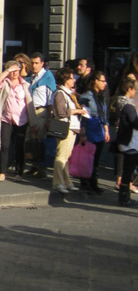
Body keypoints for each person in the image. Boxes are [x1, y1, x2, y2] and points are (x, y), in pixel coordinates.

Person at [0, 60, 37, 182]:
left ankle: (19, 172)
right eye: (12, 71)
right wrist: (7, 71)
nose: (14, 73)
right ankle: (2, 172)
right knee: (5, 145)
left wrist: (33, 122)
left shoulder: (25, 85)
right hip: (7, 118)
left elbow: (29, 103)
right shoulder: (5, 83)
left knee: (19, 146)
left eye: (16, 70)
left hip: (22, 119)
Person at [51, 67, 86, 195]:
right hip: (65, 127)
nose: (73, 80)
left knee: (66, 156)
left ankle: (66, 181)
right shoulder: (60, 93)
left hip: (72, 127)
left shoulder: (69, 93)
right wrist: (77, 111)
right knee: (61, 156)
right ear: (65, 79)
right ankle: (58, 182)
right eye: (71, 78)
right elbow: (61, 112)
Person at [78, 70, 110, 195]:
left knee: (96, 160)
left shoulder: (101, 96)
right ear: (95, 81)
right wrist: (83, 133)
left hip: (99, 131)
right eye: (102, 81)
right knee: (87, 159)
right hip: (90, 131)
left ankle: (94, 183)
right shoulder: (86, 96)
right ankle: (85, 183)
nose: (105, 84)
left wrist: (106, 130)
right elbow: (83, 117)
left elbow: (104, 114)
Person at [26, 52, 57, 178]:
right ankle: (34, 165)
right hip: (30, 111)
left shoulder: (48, 77)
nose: (34, 66)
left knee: (40, 138)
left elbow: (51, 98)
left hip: (41, 111)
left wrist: (50, 116)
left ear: (42, 63)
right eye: (32, 63)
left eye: (36, 63)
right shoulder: (30, 76)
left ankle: (42, 169)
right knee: (30, 139)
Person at [115, 77, 138, 206]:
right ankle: (124, 196)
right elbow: (135, 123)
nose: (135, 92)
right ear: (129, 89)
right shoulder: (128, 105)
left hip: (128, 142)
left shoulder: (122, 103)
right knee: (128, 171)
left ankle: (124, 195)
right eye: (134, 89)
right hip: (130, 142)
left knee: (128, 170)